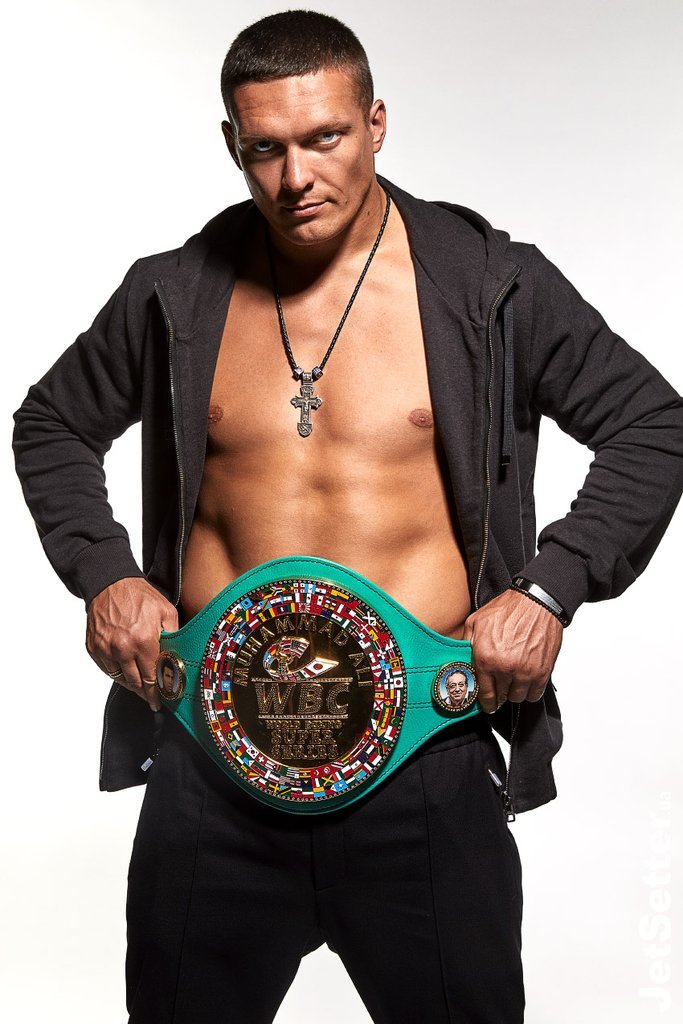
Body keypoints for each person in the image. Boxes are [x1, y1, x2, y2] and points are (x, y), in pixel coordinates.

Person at [12, 10, 683, 1024]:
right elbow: (53, 423)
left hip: (424, 759)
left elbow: (651, 424)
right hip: (212, 768)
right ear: (232, 144)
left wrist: (550, 589)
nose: (296, 177)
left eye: (324, 137)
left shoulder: (489, 286)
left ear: (374, 122)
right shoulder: (174, 295)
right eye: (265, 149)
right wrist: (105, 573)